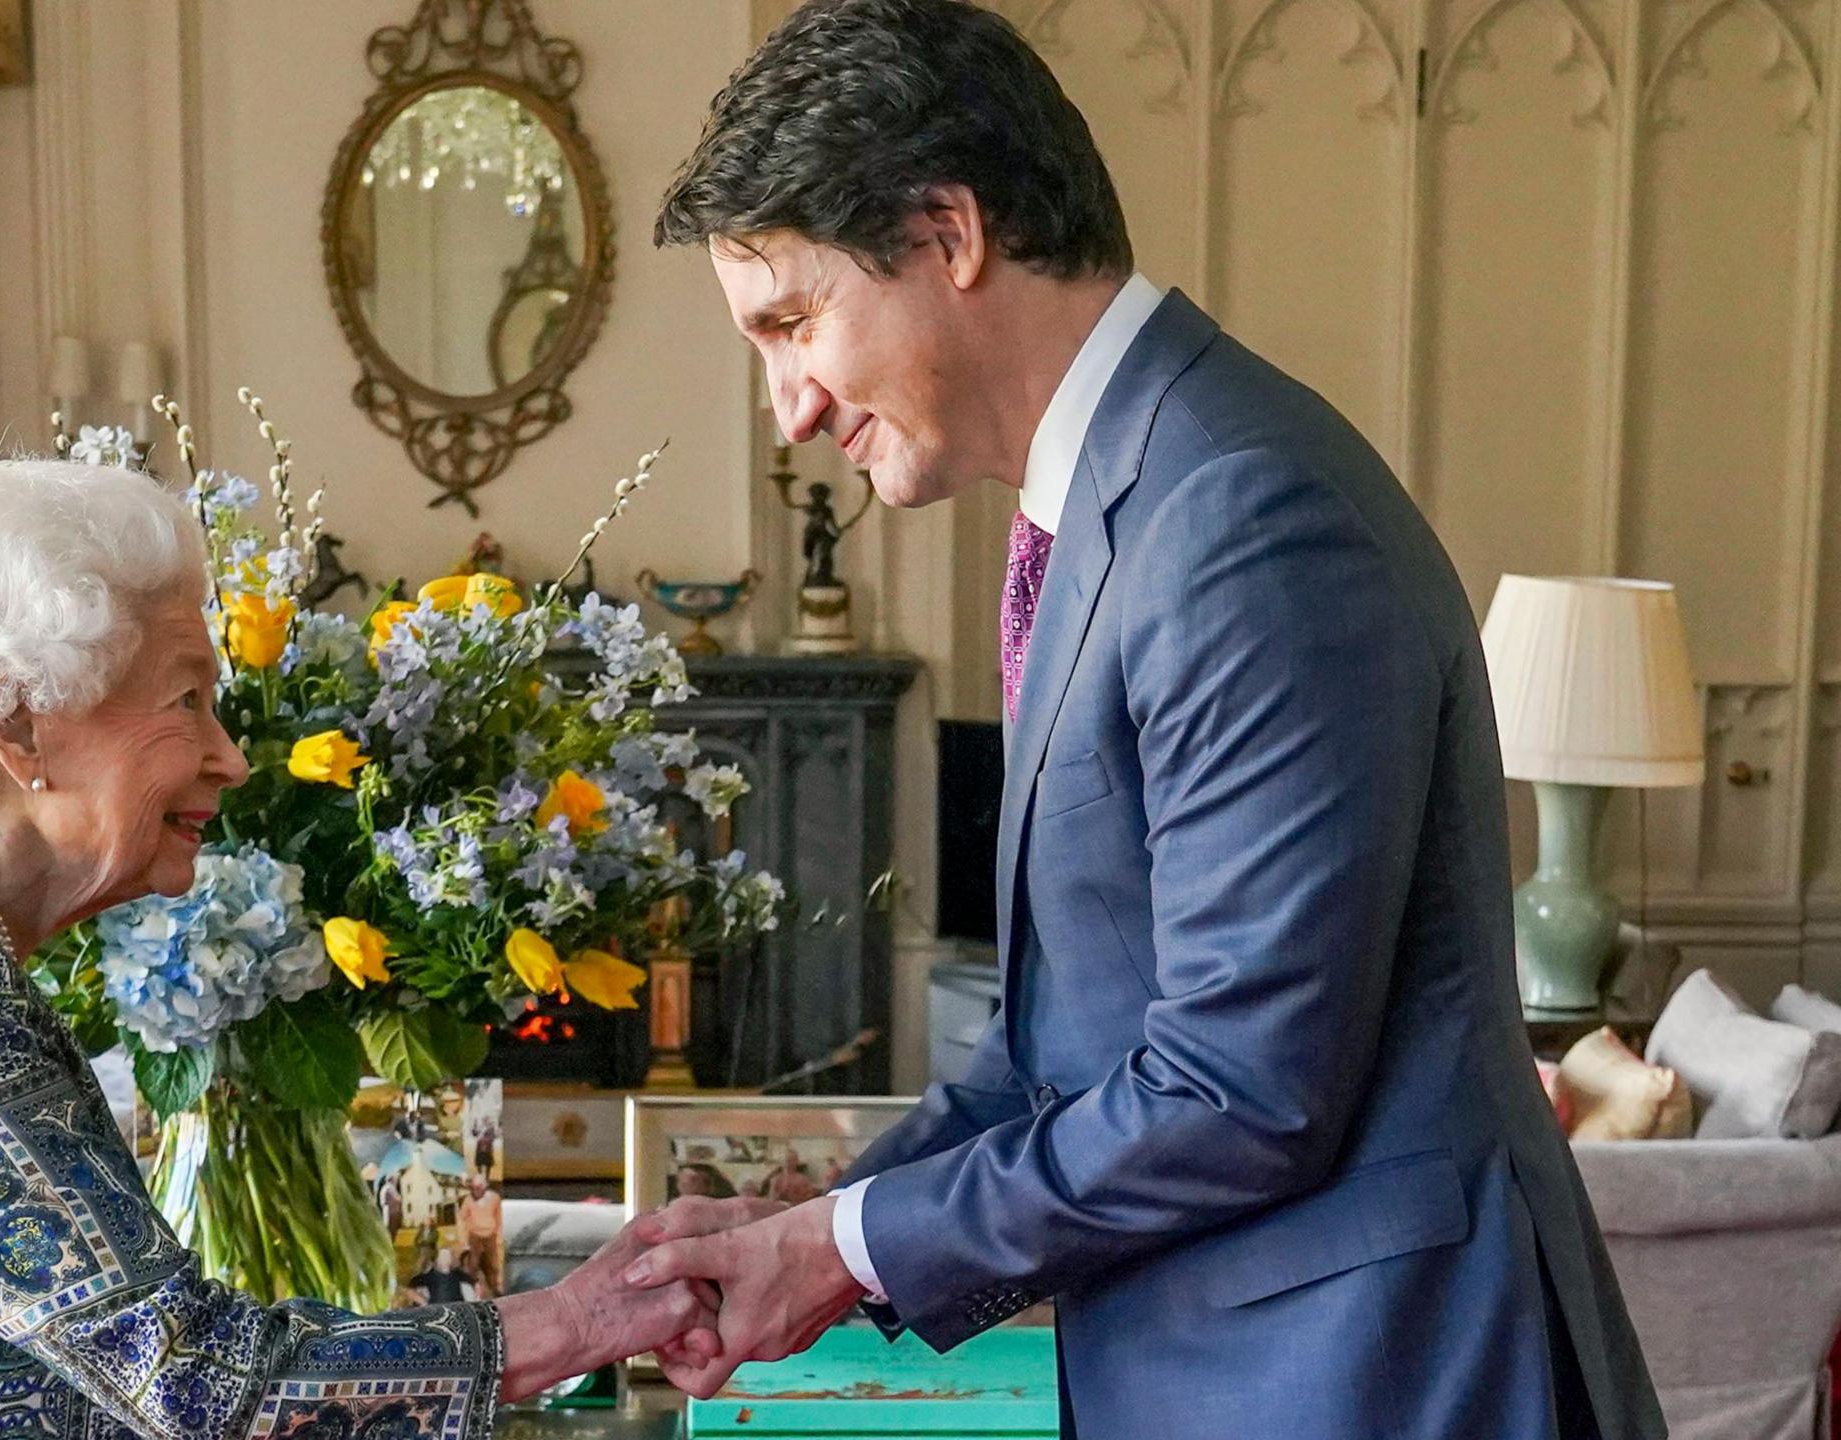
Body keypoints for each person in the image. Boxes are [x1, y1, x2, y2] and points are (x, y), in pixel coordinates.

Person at [624, 4, 1665, 1438]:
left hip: (1376, 1379)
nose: (789, 407)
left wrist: (838, 1250)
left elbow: (1244, 1091)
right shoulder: (1123, 500)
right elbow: (1070, 1052)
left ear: (947, 235)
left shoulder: (1242, 516)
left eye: (794, 324)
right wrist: (840, 1225)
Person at [0, 458, 716, 1440]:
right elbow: (196, 1379)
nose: (231, 758)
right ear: (22, 730)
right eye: (186, 702)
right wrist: (569, 1324)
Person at [457, 1176, 503, 1296]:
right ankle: (472, 1290)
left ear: (485, 1187)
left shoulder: (494, 1198)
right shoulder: (468, 1200)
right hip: (474, 1235)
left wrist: (498, 1236)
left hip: (490, 1235)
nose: (475, 1191)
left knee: (493, 1264)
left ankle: (494, 1288)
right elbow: (461, 1219)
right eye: (473, 1188)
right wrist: (464, 1241)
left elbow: (498, 1218)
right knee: (473, 1264)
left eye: (478, 1187)